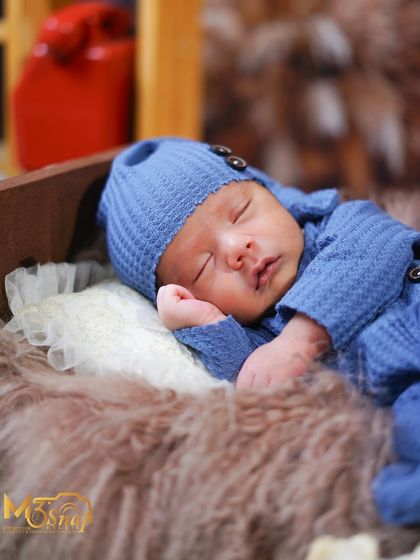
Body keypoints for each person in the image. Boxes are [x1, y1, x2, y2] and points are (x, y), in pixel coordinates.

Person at [98, 136, 420, 526]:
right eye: (203, 267)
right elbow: (255, 376)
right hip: (405, 393)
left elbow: (376, 249)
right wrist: (205, 323)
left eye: (241, 212)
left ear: (271, 192)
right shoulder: (262, 333)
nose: (238, 247)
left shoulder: (340, 226)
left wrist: (300, 339)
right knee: (397, 476)